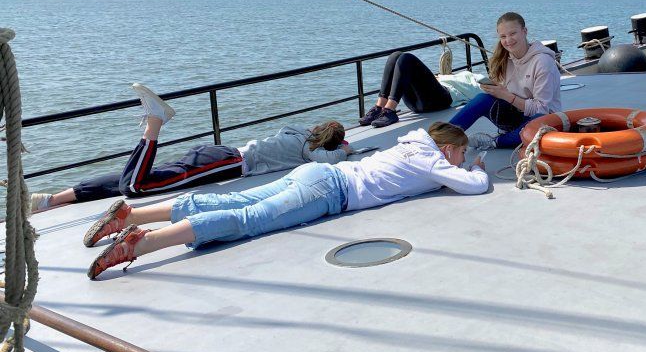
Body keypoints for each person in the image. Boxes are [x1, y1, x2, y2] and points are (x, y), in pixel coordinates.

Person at [85, 122, 488, 280]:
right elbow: (472, 186)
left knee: (240, 199)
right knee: (248, 219)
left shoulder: (410, 144)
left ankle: (131, 214)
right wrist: (477, 167)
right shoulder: (434, 160)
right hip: (331, 193)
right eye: (461, 151)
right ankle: (144, 243)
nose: (461, 158)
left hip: (316, 174)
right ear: (448, 148)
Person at [31, 83, 351, 212]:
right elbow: (331, 158)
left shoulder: (294, 132)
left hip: (217, 153)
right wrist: (346, 149)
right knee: (137, 187)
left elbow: (315, 139)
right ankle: (155, 121)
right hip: (226, 164)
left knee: (144, 176)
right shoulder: (309, 151)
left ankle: (51, 200)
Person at [449, 12, 562, 150]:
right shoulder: (504, 59)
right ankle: (442, 138)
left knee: (538, 124)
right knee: (482, 99)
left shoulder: (543, 62)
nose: (508, 40)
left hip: (544, 120)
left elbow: (542, 109)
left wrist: (506, 95)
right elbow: (507, 94)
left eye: (513, 33)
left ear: (524, 31)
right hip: (516, 115)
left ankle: (496, 141)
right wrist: (497, 90)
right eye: (503, 36)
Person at [358, 51, 485, 128]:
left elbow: (481, 90)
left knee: (406, 58)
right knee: (395, 56)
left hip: (442, 99)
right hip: (418, 102)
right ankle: (380, 107)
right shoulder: (456, 76)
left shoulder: (475, 79)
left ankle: (389, 110)